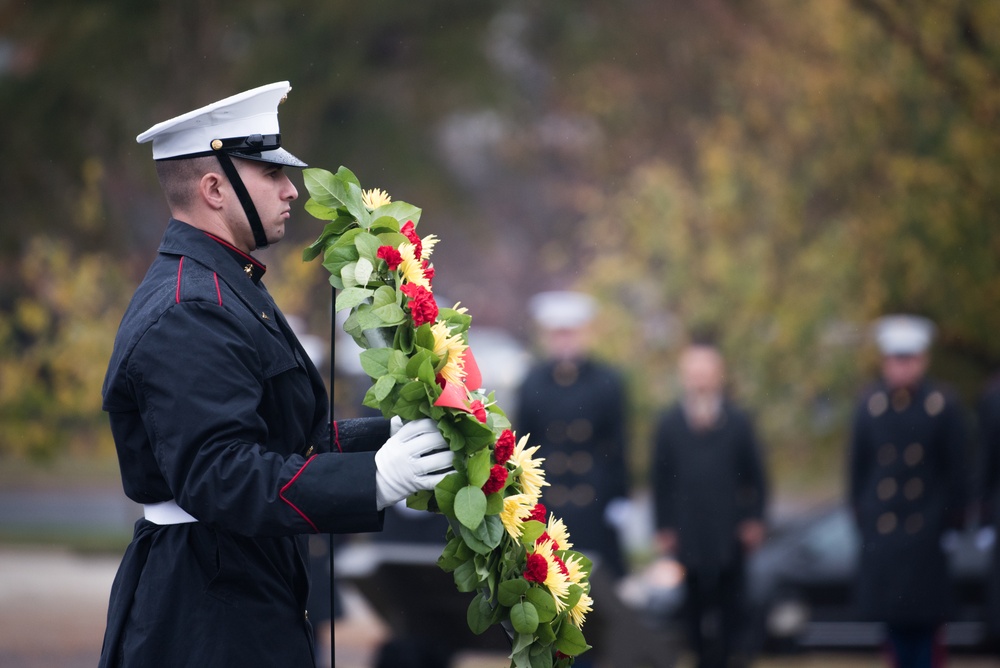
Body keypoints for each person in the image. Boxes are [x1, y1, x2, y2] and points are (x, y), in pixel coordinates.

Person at [98, 81, 454, 667]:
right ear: (215, 187)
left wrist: (392, 437)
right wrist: (373, 481)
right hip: (205, 605)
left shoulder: (228, 288)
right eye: (270, 174)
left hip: (235, 576)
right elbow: (221, 474)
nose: (292, 189)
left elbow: (283, 439)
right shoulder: (193, 307)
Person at [847, 314, 967, 668]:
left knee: (927, 635)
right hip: (886, 540)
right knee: (893, 633)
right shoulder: (870, 406)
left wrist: (952, 526)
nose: (901, 367)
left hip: (926, 537)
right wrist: (865, 522)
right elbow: (858, 474)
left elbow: (957, 474)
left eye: (908, 359)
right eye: (895, 360)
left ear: (922, 360)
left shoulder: (942, 406)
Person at [651, 340, 768, 668]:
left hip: (729, 537)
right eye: (694, 371)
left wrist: (754, 519)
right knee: (692, 616)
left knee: (733, 613)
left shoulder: (738, 422)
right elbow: (660, 481)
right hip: (687, 537)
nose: (700, 378)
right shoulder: (670, 424)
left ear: (719, 375)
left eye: (707, 371)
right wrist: (662, 527)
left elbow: (756, 479)